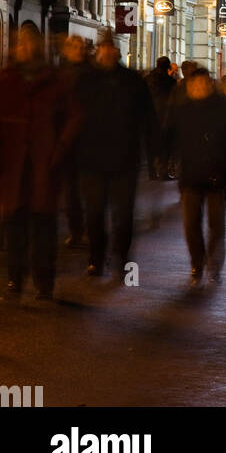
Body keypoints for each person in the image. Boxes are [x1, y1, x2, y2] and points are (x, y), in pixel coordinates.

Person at [0, 24, 82, 301]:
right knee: (14, 225)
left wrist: (59, 149)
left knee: (44, 225)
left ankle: (44, 280)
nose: (24, 47)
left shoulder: (55, 81)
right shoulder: (7, 79)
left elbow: (74, 116)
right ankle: (15, 278)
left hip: (43, 164)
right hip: (13, 165)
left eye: (28, 43)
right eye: (20, 43)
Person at [75, 38, 158, 281]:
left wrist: (155, 151)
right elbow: (73, 117)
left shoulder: (132, 80)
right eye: (103, 48)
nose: (107, 53)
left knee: (123, 214)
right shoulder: (86, 79)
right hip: (92, 158)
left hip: (125, 158)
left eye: (111, 48)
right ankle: (96, 259)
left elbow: (148, 118)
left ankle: (121, 257)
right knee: (94, 213)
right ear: (98, 51)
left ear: (117, 51)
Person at [168, 66, 226, 288]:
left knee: (216, 225)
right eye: (195, 84)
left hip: (218, 176)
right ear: (189, 86)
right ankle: (197, 263)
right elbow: (170, 136)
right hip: (190, 175)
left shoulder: (225, 110)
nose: (200, 87)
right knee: (191, 224)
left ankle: (214, 266)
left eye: (204, 83)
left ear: (210, 84)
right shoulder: (181, 111)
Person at [58, 34, 89, 247]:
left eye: (80, 46)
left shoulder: (93, 74)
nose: (77, 50)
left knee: (89, 189)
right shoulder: (61, 74)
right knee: (71, 191)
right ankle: (77, 230)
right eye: (73, 46)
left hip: (89, 139)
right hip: (69, 140)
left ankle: (88, 229)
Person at [145, 56, 175, 180]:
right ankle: (163, 172)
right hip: (165, 116)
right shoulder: (170, 82)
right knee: (164, 145)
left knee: (151, 145)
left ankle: (151, 172)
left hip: (150, 115)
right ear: (168, 66)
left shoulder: (147, 79)